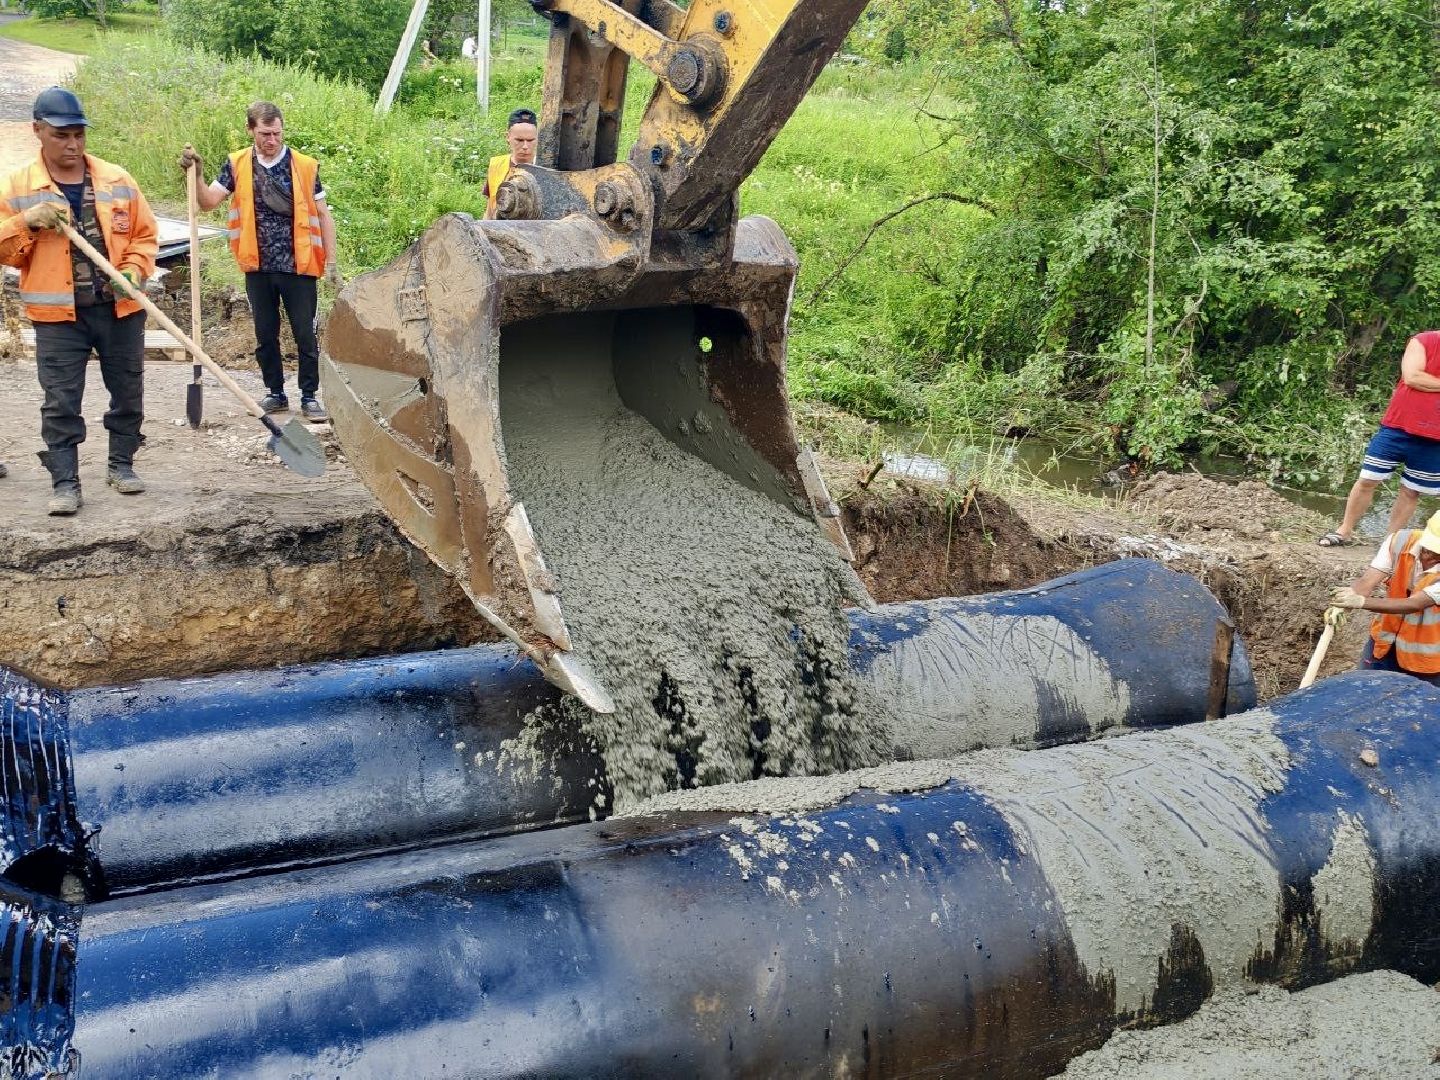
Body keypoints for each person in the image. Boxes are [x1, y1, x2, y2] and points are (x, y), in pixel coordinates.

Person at [0, 87, 157, 515]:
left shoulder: (117, 180)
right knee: (60, 401)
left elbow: (144, 236)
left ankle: (121, 465)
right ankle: (65, 482)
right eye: (61, 135)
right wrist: (27, 222)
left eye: (78, 135)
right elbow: (4, 249)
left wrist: (133, 272)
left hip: (119, 310)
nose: (72, 144)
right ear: (37, 130)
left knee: (128, 392)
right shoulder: (18, 187)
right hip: (58, 317)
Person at [179, 102, 338, 421]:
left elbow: (323, 215)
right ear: (250, 130)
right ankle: (275, 393)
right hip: (258, 265)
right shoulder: (237, 164)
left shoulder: (304, 166)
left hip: (299, 265)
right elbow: (208, 202)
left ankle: (309, 396)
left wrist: (331, 262)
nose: (272, 140)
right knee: (265, 334)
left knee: (305, 334)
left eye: (277, 133)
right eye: (265, 134)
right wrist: (197, 175)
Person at [1318, 330, 1440, 547]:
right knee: (1368, 479)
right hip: (1397, 428)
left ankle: (1389, 544)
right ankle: (1345, 530)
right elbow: (1412, 377)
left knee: (1412, 492)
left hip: (1435, 439)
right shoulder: (1425, 341)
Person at [1327, 509, 1440, 684]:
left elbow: (1414, 604)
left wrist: (1361, 602)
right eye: (1430, 550)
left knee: (1418, 700)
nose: (1431, 557)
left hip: (1424, 660)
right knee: (1363, 691)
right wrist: (1347, 599)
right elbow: (1367, 581)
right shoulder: (1400, 541)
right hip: (1383, 644)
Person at [483, 108, 538, 220]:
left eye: (530, 140)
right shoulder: (496, 165)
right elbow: (489, 210)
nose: (525, 146)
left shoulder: (546, 167)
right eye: (519, 140)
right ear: (508, 137)